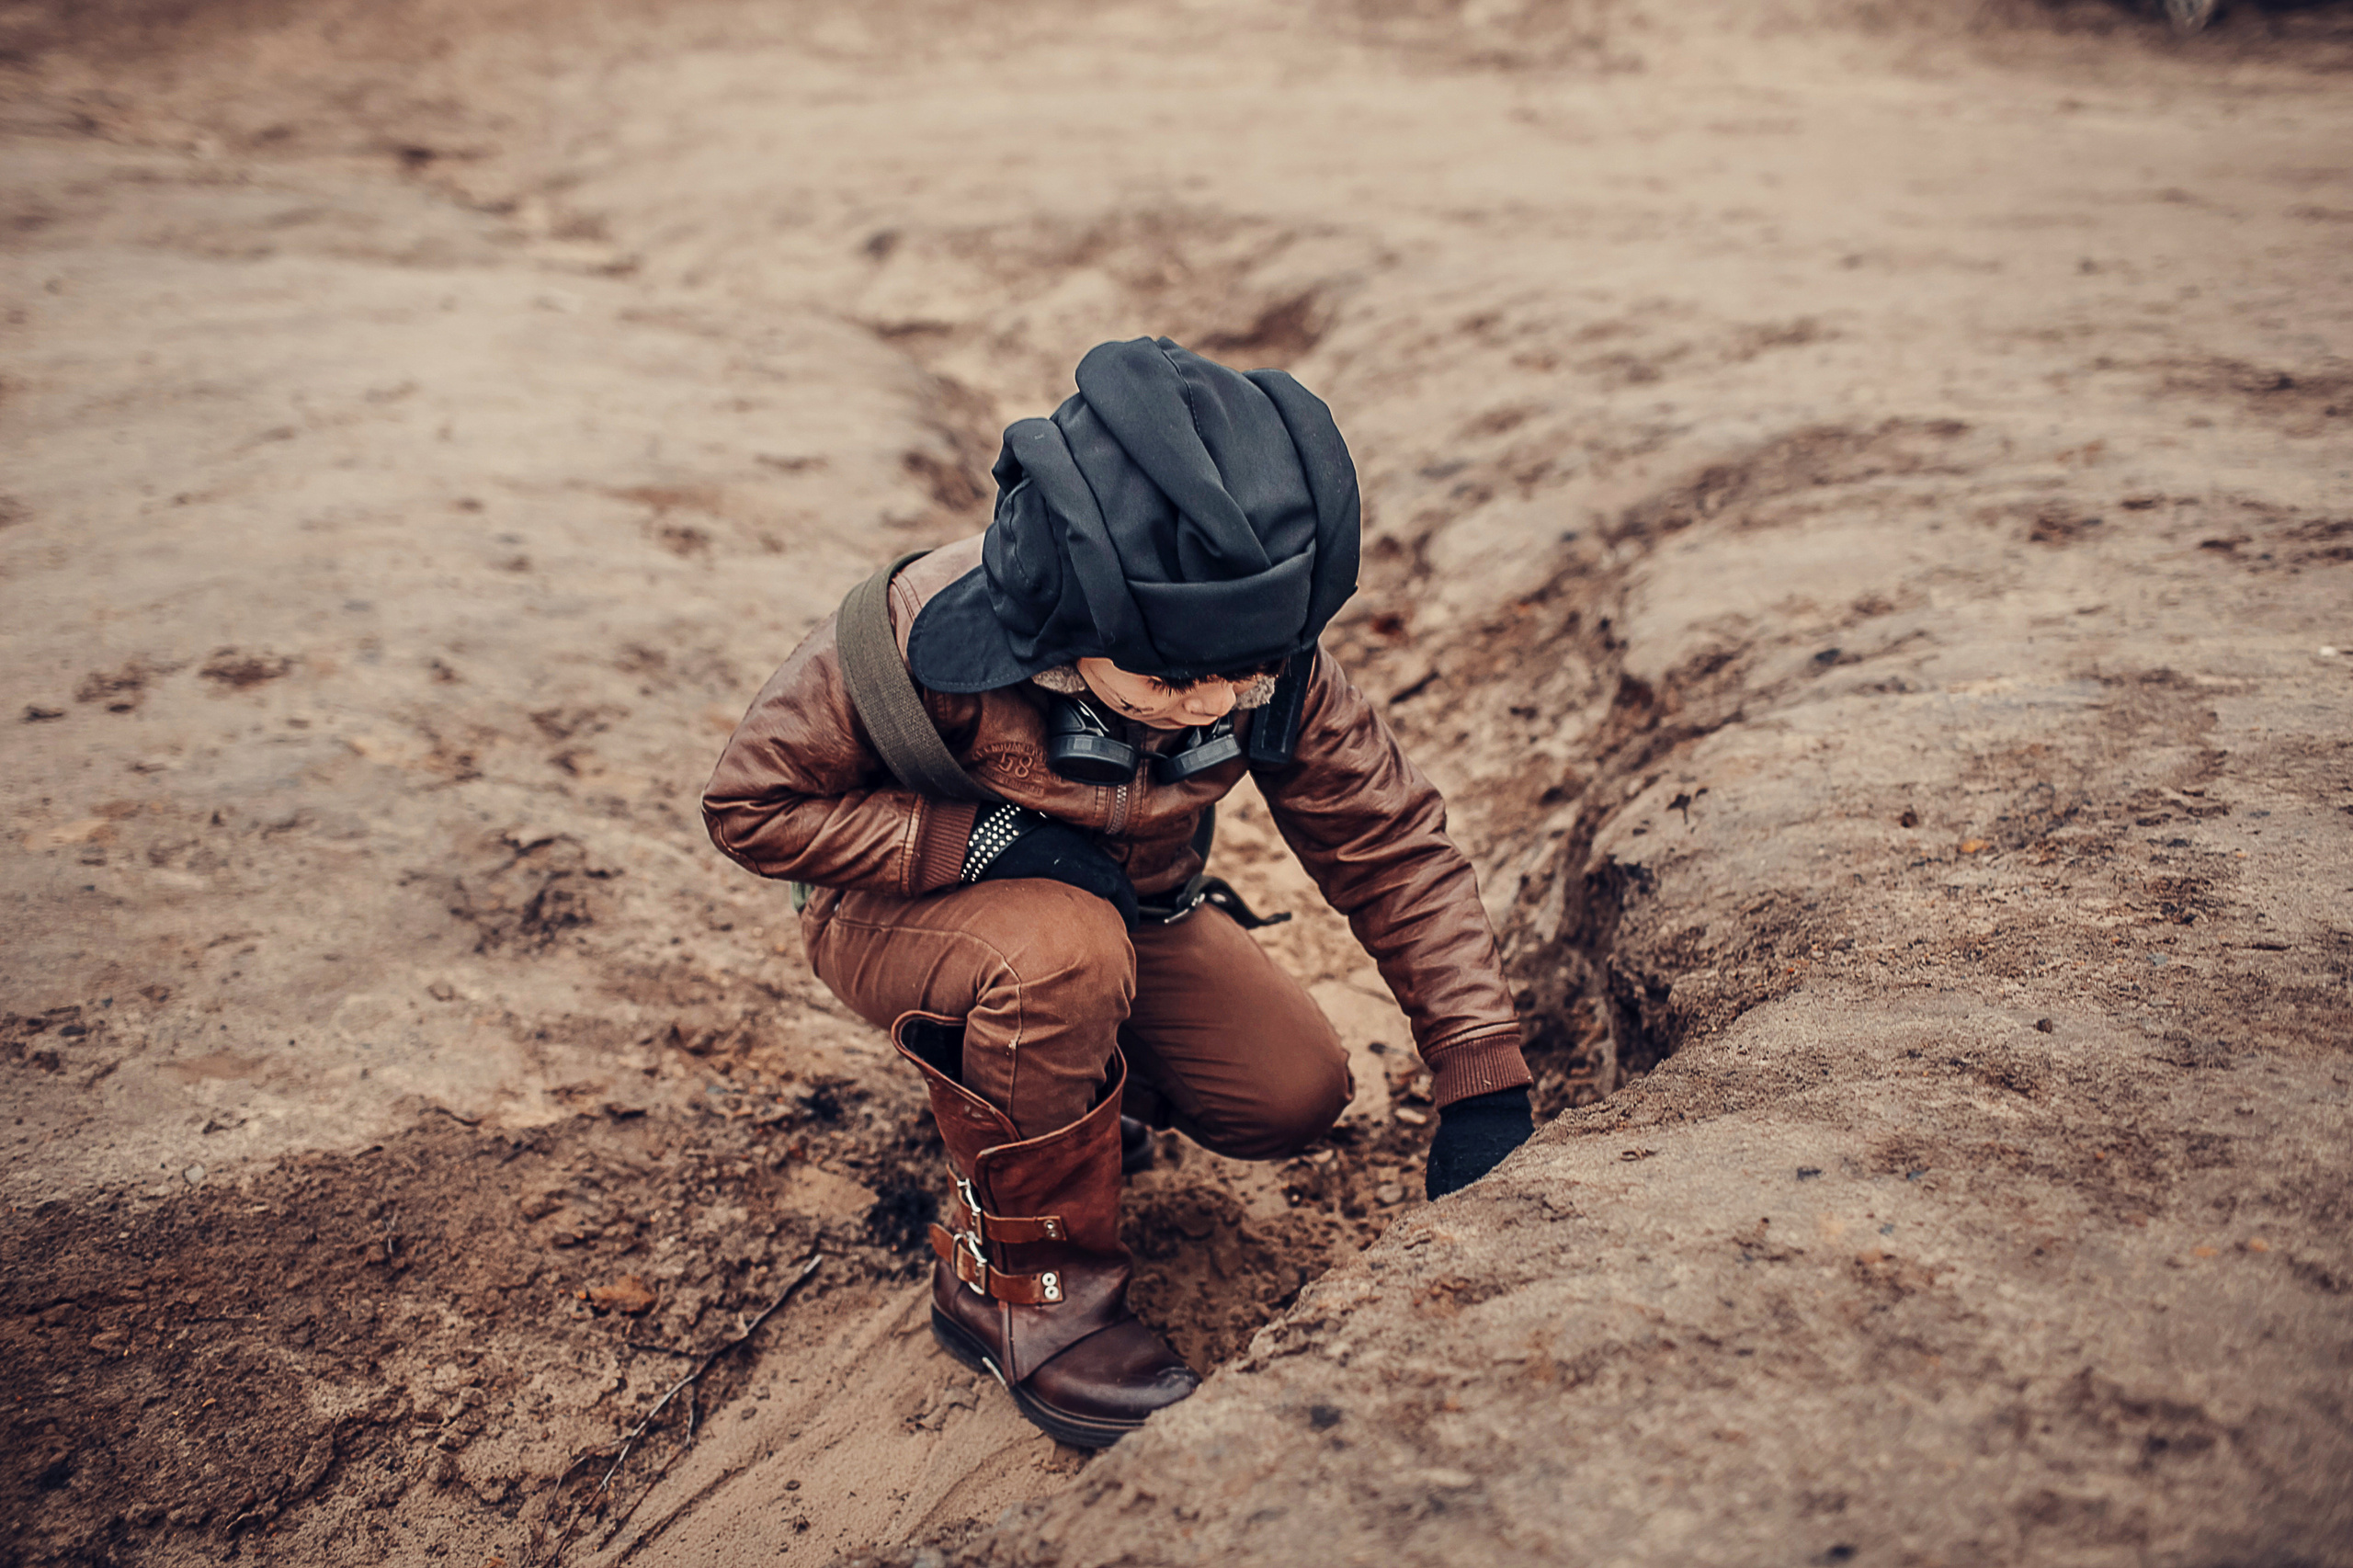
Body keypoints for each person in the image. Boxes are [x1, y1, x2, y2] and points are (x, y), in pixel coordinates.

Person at [702, 336, 1533, 1448]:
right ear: (1066, 629)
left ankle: (1058, 1090)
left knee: (1289, 1090)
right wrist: (974, 837)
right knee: (1056, 957)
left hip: (1130, 913)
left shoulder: (1256, 655)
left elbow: (1389, 843)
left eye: (1246, 677)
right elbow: (749, 808)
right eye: (1169, 680)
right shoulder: (914, 635)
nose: (1211, 707)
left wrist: (1479, 1072)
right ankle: (1016, 1290)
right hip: (895, 912)